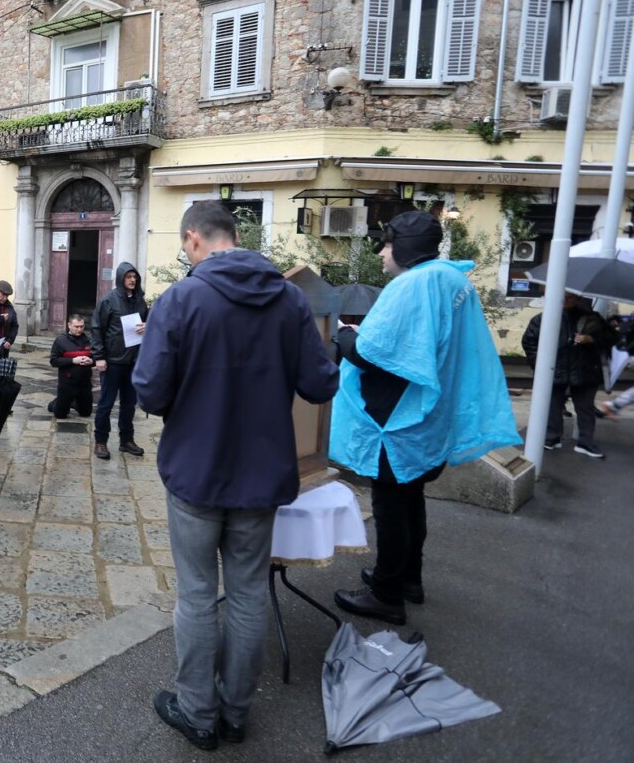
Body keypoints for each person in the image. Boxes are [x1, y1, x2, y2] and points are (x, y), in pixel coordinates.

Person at [133, 202, 340, 751]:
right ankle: (235, 711)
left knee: (198, 594)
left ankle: (197, 712)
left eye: (184, 247)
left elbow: (150, 392)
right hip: (262, 476)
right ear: (235, 236)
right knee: (248, 593)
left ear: (195, 239)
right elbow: (321, 386)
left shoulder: (181, 299)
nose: (184, 255)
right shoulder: (291, 300)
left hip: (197, 474)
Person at [332, 211, 520, 625]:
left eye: (385, 243)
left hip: (397, 421)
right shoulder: (451, 279)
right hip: (426, 416)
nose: (381, 252)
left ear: (404, 246)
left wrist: (343, 333)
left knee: (390, 506)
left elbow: (370, 354)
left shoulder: (413, 283)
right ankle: (407, 579)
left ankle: (385, 593)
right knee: (411, 498)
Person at [522, 293, 617, 458]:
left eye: (571, 297)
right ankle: (552, 438)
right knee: (553, 406)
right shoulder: (543, 318)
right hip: (555, 370)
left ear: (579, 299)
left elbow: (611, 338)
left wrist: (592, 339)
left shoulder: (592, 318)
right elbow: (529, 341)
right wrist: (539, 364)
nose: (566, 300)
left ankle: (585, 443)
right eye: (563, 296)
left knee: (585, 408)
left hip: (584, 370)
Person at [90, 262, 149, 460]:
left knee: (129, 404)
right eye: (128, 276)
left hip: (133, 361)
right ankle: (101, 441)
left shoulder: (140, 301)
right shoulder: (108, 300)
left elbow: (148, 322)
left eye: (135, 277)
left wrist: (147, 326)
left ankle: (126, 440)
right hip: (113, 361)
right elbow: (97, 329)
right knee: (106, 403)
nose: (132, 280)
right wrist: (99, 357)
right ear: (121, 278)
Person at [48, 313, 94, 419]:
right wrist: (73, 360)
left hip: (85, 383)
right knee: (60, 415)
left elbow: (98, 358)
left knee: (86, 413)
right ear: (69, 325)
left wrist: (91, 361)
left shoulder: (89, 340)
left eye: (81, 326)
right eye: (76, 327)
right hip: (67, 383)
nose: (79, 329)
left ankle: (73, 402)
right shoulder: (60, 340)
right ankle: (55, 403)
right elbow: (54, 361)